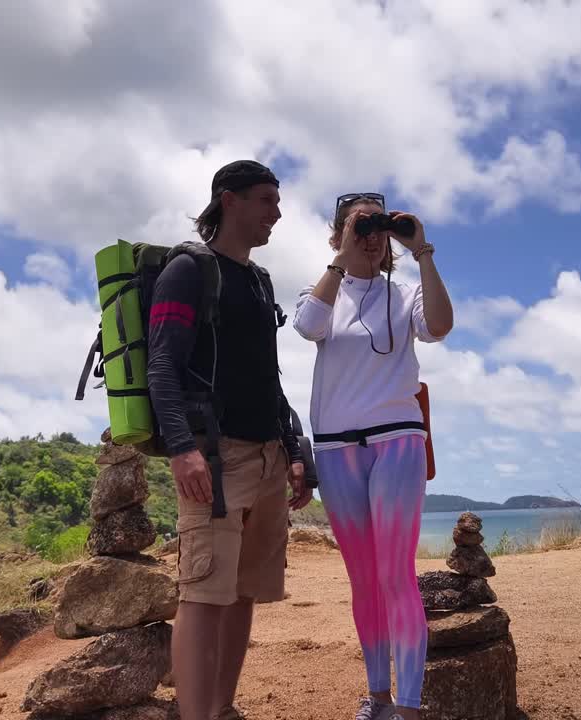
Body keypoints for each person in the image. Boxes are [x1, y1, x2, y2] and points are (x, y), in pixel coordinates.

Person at [147, 159, 313, 720]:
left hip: (266, 455)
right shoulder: (189, 270)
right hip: (215, 458)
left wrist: (294, 446)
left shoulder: (258, 279)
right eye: (267, 199)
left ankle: (221, 708)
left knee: (244, 592)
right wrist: (180, 447)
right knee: (202, 595)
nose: (278, 212)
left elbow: (267, 374)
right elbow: (162, 366)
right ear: (229, 200)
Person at [292, 192, 454, 720]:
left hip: (398, 439)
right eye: (358, 225)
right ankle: (378, 698)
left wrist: (422, 250)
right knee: (363, 579)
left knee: (396, 576)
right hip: (337, 448)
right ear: (336, 233)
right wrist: (340, 257)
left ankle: (407, 708)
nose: (369, 235)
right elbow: (307, 326)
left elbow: (439, 327)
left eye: (377, 225)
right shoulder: (321, 292)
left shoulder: (404, 293)